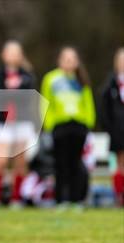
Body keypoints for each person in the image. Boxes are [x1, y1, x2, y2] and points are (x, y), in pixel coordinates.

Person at [40, 46, 95, 207]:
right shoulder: (51, 79)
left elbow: (88, 103)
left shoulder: (81, 79)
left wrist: (88, 123)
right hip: (59, 126)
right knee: (61, 164)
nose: (69, 62)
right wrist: (49, 124)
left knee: (76, 163)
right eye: (66, 58)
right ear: (59, 60)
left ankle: (76, 199)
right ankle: (60, 199)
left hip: (78, 126)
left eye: (72, 59)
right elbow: (45, 103)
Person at [0, 40, 36, 210]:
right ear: (3, 55)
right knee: (0, 161)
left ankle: (16, 199)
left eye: (16, 52)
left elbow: (27, 97)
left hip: (22, 122)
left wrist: (13, 91)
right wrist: (14, 91)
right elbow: (0, 97)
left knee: (20, 163)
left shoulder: (27, 75)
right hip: (3, 122)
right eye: (9, 52)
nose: (13, 56)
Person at [100, 47, 124, 206]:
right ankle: (120, 196)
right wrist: (110, 128)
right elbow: (104, 109)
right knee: (120, 163)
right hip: (118, 132)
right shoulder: (110, 84)